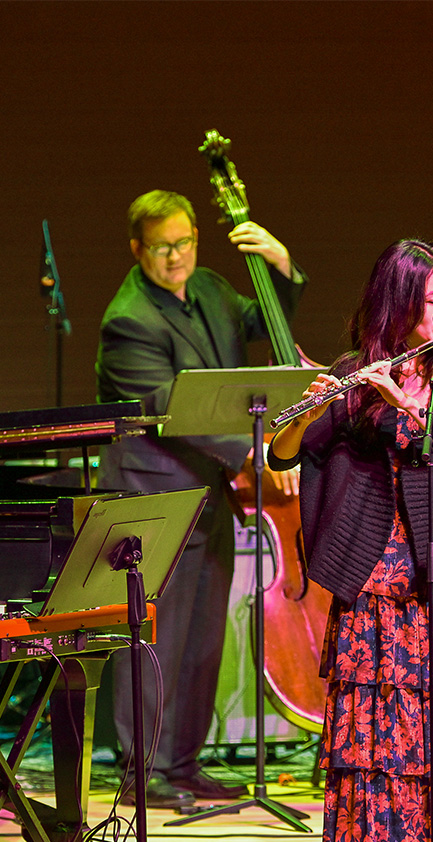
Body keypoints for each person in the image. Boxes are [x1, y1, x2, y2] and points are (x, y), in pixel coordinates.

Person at [267, 239, 433, 842]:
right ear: (399, 306)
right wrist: (312, 411)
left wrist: (412, 409)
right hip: (373, 583)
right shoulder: (354, 372)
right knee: (380, 745)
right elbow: (283, 453)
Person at [96, 189, 307, 809]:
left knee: (203, 638)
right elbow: (173, 409)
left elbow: (261, 321)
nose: (176, 256)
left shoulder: (211, 287)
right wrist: (255, 452)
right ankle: (145, 772)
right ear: (138, 249)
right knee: (155, 639)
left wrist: (281, 268)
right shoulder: (128, 318)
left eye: (184, 241)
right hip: (152, 493)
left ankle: (184, 763)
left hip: (208, 490)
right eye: (162, 247)